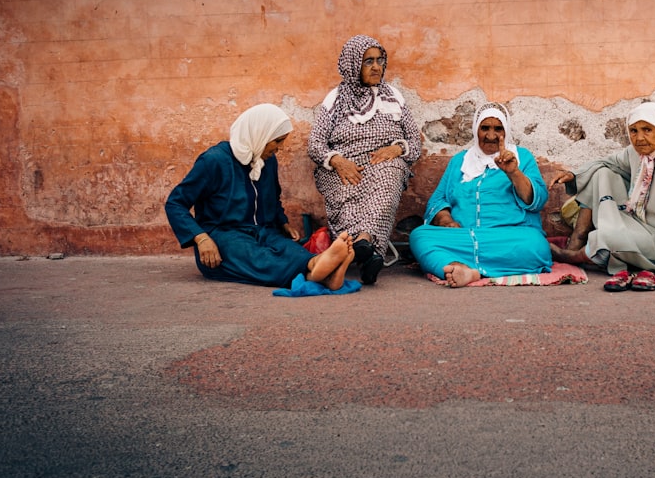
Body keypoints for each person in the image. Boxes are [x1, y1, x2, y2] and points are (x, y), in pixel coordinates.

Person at [166, 103, 355, 289]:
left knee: (290, 250)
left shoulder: (268, 161)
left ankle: (320, 270)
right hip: (223, 236)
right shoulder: (214, 161)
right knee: (258, 257)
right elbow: (175, 203)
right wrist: (202, 239)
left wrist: (283, 223)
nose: (280, 148)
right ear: (260, 134)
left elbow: (273, 198)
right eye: (278, 141)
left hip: (262, 231)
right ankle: (318, 270)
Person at [549, 102, 655, 291]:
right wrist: (573, 175)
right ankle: (577, 240)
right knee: (601, 172)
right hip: (637, 222)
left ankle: (573, 256)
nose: (639, 138)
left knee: (605, 237)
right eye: (634, 130)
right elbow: (606, 162)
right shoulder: (637, 153)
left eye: (647, 130)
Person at [308, 35, 422, 284]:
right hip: (342, 167)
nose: (376, 66)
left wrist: (397, 149)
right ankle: (368, 254)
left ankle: (363, 243)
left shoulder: (393, 97)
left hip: (383, 162)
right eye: (367, 61)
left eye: (379, 60)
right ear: (352, 64)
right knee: (347, 191)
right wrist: (337, 161)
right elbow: (315, 144)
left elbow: (415, 141)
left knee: (389, 176)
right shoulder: (335, 99)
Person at [409, 102, 552, 287]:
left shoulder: (521, 157)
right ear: (476, 129)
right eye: (485, 128)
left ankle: (459, 266)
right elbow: (438, 199)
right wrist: (446, 221)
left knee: (535, 245)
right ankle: (460, 269)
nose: (491, 136)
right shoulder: (460, 161)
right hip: (465, 237)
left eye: (498, 129)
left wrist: (513, 172)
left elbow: (537, 200)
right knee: (420, 236)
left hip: (511, 237)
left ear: (506, 130)